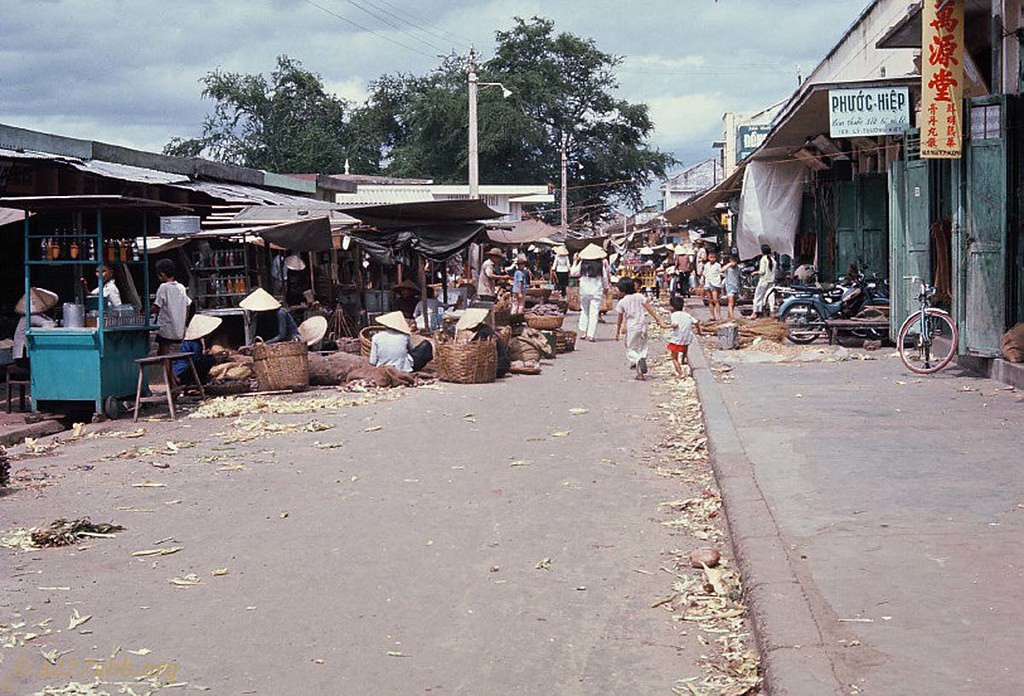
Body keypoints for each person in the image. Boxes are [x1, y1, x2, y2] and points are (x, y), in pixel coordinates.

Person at [614, 277, 669, 381]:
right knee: (642, 348)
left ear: (623, 290)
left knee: (631, 349)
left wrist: (617, 331)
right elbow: (649, 308)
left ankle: (637, 360)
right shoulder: (639, 296)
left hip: (632, 328)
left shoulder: (622, 302)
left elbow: (620, 319)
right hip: (642, 326)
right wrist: (658, 320)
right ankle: (640, 373)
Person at [455, 307, 510, 377]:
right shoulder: (484, 328)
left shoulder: (483, 332)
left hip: (498, 367)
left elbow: (478, 350)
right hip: (501, 365)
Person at [153, 258, 192, 356]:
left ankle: (167, 371)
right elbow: (188, 304)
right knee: (174, 355)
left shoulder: (163, 287)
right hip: (179, 329)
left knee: (163, 354)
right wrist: (184, 321)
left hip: (166, 329)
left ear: (162, 274)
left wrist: (145, 313)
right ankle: (170, 371)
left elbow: (157, 306)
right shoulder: (181, 287)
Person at [12, 287, 58, 370]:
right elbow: (48, 324)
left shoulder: (38, 315)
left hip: (24, 354)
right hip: (22, 356)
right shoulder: (30, 317)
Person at [173, 314, 222, 385]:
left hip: (183, 370)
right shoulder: (194, 343)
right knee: (209, 361)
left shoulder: (193, 342)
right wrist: (213, 358)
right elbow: (197, 360)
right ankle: (195, 382)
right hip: (183, 373)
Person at [576, 243, 606, 342]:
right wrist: (606, 287)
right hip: (596, 291)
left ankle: (583, 331)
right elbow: (604, 278)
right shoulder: (600, 265)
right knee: (594, 313)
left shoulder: (582, 264)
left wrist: (575, 262)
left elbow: (573, 272)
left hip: (584, 290)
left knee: (584, 311)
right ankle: (591, 335)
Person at [667, 295, 696, 379]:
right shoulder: (687, 315)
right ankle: (683, 361)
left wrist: (665, 326)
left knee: (674, 357)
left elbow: (675, 324)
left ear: (673, 307)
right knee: (684, 350)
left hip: (677, 339)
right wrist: (699, 331)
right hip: (687, 338)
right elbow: (696, 322)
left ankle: (680, 373)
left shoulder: (674, 315)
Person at [752, 244, 777, 318]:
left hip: (764, 280)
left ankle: (755, 312)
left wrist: (755, 272)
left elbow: (762, 271)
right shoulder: (773, 259)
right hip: (771, 281)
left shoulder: (763, 259)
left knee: (758, 296)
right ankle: (772, 311)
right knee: (770, 296)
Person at [703, 250, 724, 321]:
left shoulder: (718, 265)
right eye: (710, 257)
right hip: (708, 283)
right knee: (709, 300)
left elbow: (721, 273)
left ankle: (719, 316)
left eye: (713, 257)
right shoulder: (706, 265)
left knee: (715, 300)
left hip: (715, 283)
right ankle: (712, 316)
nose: (712, 259)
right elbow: (704, 274)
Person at [723, 254, 742, 320]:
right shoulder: (728, 268)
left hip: (736, 287)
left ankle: (729, 315)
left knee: (733, 303)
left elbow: (739, 277)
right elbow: (721, 270)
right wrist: (729, 264)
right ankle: (731, 317)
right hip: (729, 287)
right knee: (730, 303)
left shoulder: (738, 268)